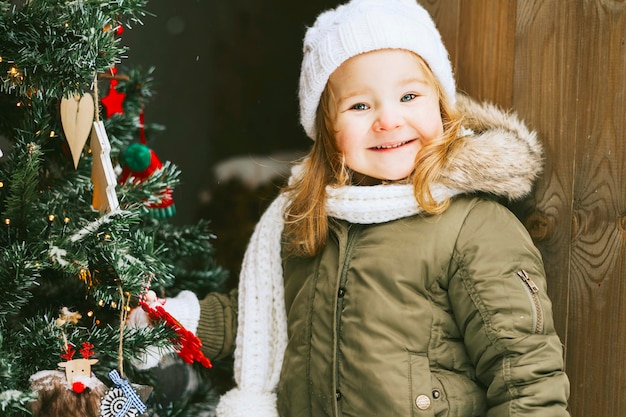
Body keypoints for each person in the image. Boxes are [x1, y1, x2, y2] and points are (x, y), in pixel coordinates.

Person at [130, 0, 571, 415]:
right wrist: (168, 319)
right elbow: (256, 321)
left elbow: (523, 373)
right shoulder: (307, 219)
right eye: (360, 105)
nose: (388, 119)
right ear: (326, 128)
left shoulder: (474, 227)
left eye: (409, 97)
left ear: (441, 103)